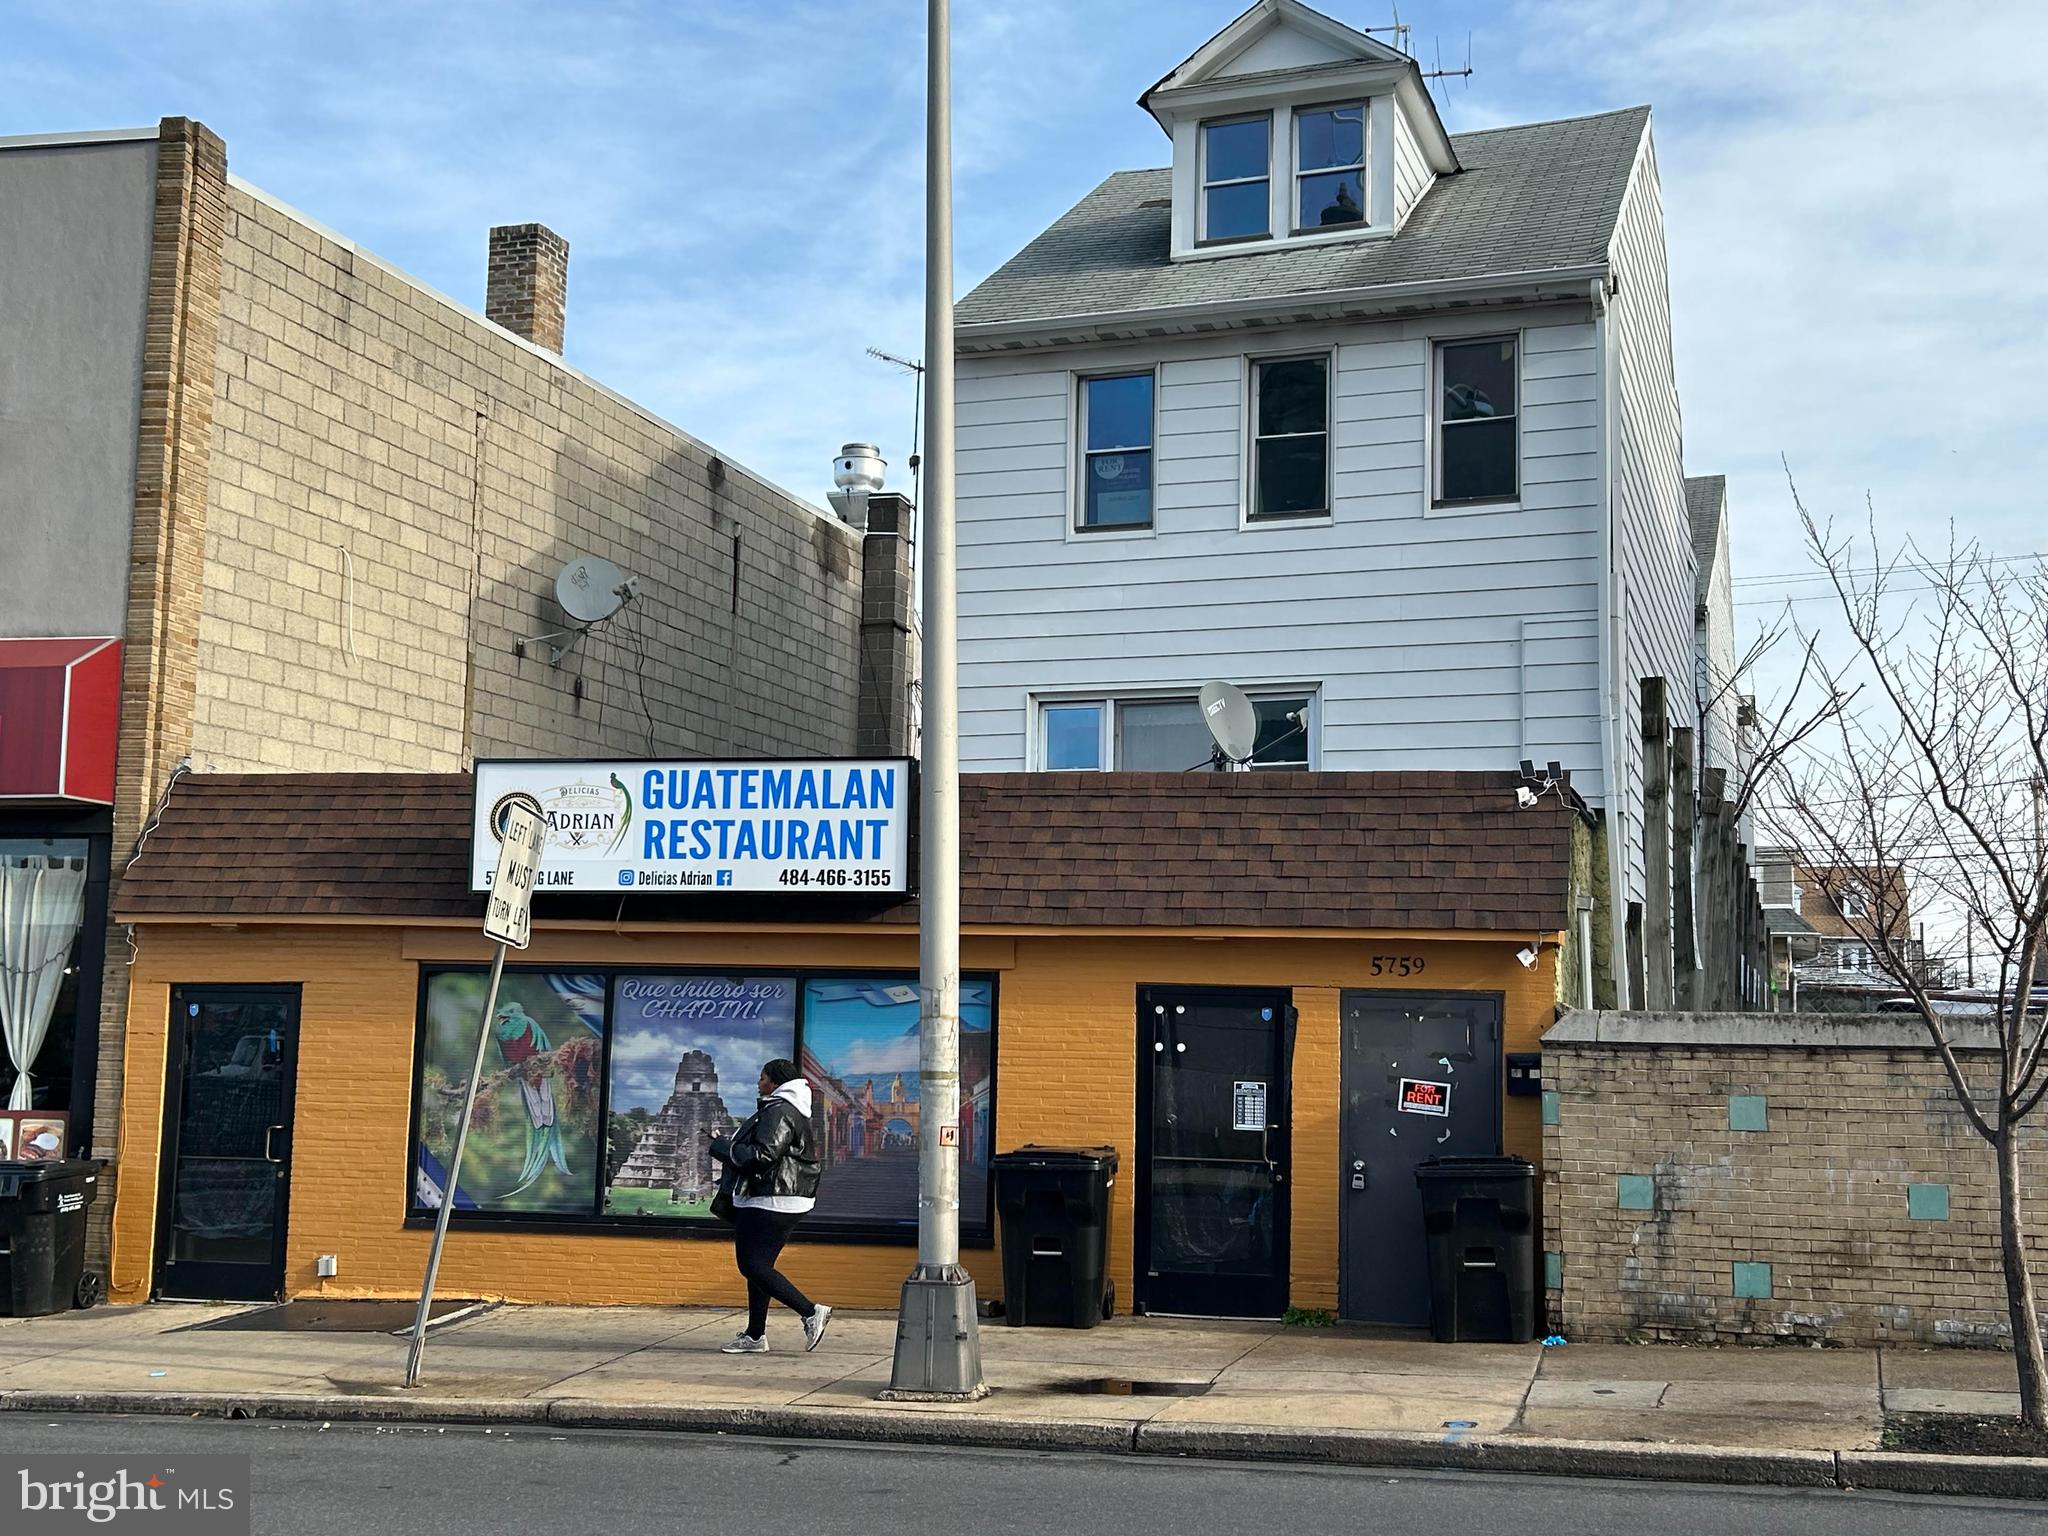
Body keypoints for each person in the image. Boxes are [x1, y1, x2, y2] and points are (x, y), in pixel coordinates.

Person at [709, 1058, 830, 1353]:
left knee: (751, 1264)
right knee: (760, 1267)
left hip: (770, 1198)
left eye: (762, 1078)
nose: (758, 1083)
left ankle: (810, 1311)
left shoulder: (780, 1110)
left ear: (775, 1082)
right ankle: (754, 1336)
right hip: (781, 1197)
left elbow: (762, 1155)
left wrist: (723, 1148)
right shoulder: (790, 1109)